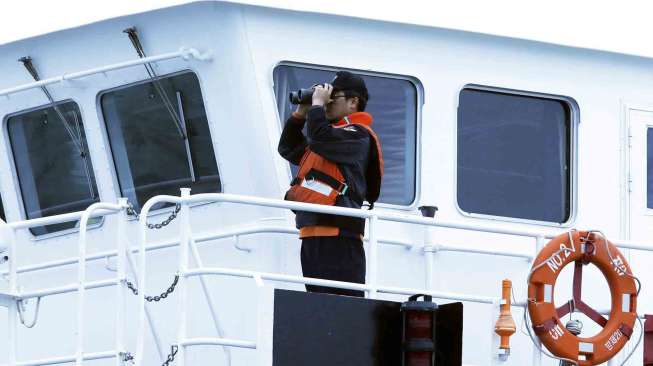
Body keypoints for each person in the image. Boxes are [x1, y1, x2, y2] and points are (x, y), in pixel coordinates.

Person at [278, 71, 383, 297]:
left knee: (343, 308)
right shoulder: (328, 139)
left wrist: (316, 105)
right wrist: (301, 113)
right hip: (311, 235)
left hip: (340, 237)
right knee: (319, 307)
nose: (326, 102)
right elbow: (287, 148)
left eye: (333, 97)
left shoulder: (357, 136)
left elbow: (320, 138)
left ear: (353, 102)